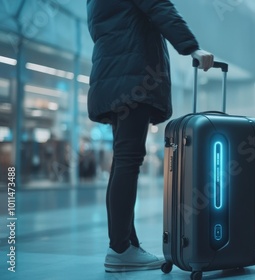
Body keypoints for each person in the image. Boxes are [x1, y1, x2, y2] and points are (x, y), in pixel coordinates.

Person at [86, 0, 214, 272]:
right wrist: (191, 47)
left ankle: (125, 245)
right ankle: (120, 249)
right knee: (128, 161)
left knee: (122, 162)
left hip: (112, 80)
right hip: (133, 79)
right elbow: (160, 8)